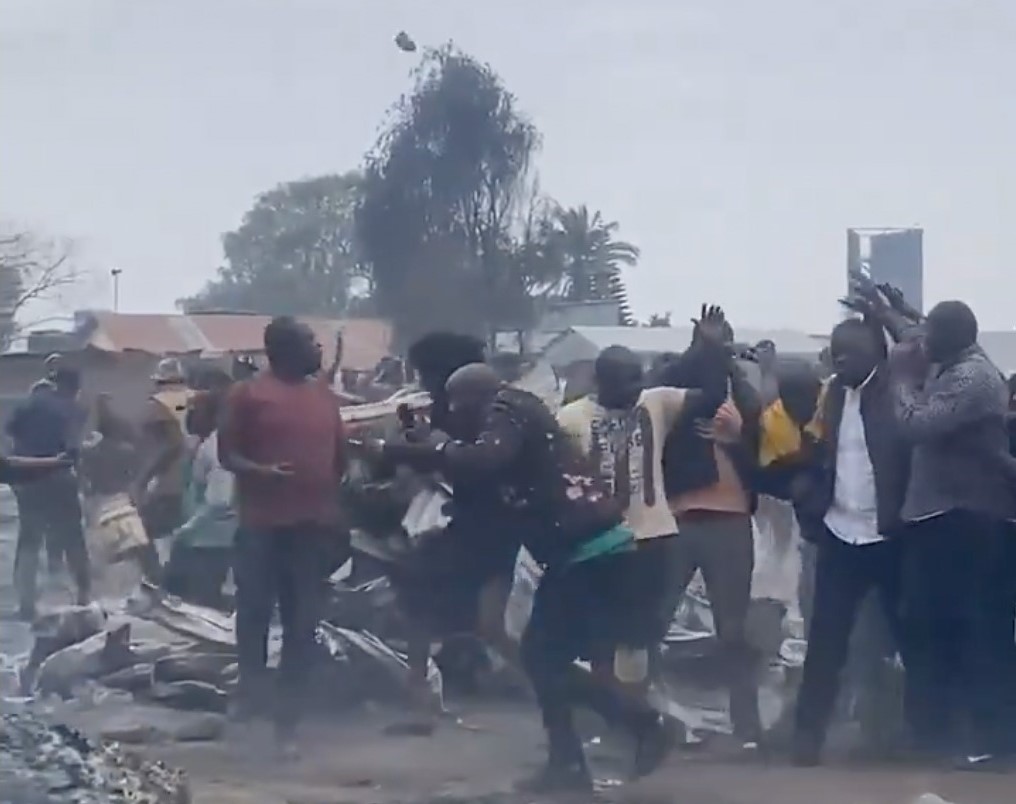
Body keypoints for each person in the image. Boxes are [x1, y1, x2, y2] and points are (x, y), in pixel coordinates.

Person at [365, 363, 673, 792]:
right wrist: (415, 450)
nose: (455, 413)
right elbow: (481, 474)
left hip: (589, 552)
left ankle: (636, 726)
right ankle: (584, 755)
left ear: (475, 397)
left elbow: (483, 457)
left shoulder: (508, 407)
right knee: (544, 660)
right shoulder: (522, 420)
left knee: (543, 660)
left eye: (458, 404)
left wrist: (433, 447)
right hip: (591, 550)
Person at [557, 321, 730, 669]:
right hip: (600, 539)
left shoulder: (657, 402)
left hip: (653, 535)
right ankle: (610, 703)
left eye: (639, 378)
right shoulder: (570, 419)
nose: (637, 388)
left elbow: (711, 397)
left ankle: (637, 704)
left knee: (642, 634)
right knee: (602, 631)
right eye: (628, 381)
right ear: (601, 382)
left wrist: (711, 349)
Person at [889, 300, 1016, 766]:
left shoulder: (974, 378)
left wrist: (901, 379)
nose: (921, 342)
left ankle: (992, 739)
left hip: (964, 518)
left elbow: (915, 424)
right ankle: (946, 735)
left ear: (953, 336)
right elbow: (920, 335)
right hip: (939, 516)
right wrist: (894, 315)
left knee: (974, 630)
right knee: (932, 626)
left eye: (930, 333)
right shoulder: (958, 361)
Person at [219, 316, 348, 755]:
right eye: (312, 342)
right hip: (261, 526)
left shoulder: (323, 396)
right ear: (285, 349)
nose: (318, 349)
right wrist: (262, 472)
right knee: (253, 613)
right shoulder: (248, 394)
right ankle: (251, 689)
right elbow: (228, 454)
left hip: (311, 529)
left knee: (302, 623)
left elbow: (340, 459)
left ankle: (287, 723)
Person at [786, 317, 910, 766]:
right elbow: (823, 451)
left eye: (850, 352)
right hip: (841, 534)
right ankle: (806, 737)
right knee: (826, 643)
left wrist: (893, 316)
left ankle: (924, 734)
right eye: (835, 352)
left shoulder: (898, 391)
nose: (840, 359)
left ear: (877, 353)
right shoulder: (833, 394)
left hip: (890, 536)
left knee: (910, 639)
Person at [655, 306, 765, 750]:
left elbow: (762, 431)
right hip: (679, 517)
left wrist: (736, 436)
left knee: (732, 629)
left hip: (729, 519)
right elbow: (663, 386)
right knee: (653, 620)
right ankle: (647, 720)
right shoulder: (671, 391)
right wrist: (703, 347)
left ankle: (747, 729)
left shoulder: (742, 395)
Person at [6, 368, 90, 619]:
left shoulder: (27, 404)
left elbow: (11, 434)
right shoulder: (73, 409)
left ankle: (26, 604)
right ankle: (84, 596)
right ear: (73, 387)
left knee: (29, 539)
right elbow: (74, 450)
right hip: (60, 478)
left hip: (28, 480)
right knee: (73, 536)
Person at [164, 390, 236, 609]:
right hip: (200, 535)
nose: (191, 415)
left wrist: (187, 529)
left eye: (196, 410)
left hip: (211, 538)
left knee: (200, 603)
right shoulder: (203, 443)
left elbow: (219, 501)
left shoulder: (217, 448)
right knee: (176, 593)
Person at [133, 357, 192, 578]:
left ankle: (157, 581)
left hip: (169, 481)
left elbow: (165, 446)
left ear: (159, 381)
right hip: (200, 479)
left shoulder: (156, 405)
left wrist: (143, 479)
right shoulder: (198, 398)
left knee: (142, 533)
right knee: (186, 534)